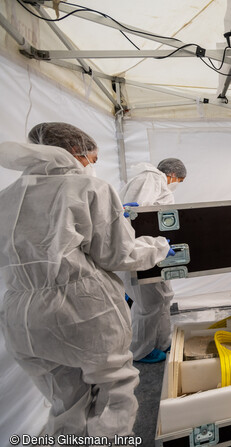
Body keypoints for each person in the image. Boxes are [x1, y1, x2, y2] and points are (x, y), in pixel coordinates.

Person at [0, 123, 173, 439]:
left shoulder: (6, 197)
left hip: (20, 318)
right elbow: (118, 255)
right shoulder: (87, 189)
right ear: (74, 154)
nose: (92, 167)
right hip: (81, 313)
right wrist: (158, 246)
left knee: (66, 403)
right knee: (112, 399)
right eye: (91, 160)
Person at [119, 159, 187, 363]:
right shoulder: (151, 178)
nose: (177, 184)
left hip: (155, 251)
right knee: (148, 303)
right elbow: (139, 215)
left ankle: (162, 343)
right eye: (180, 180)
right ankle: (141, 350)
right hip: (140, 252)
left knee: (164, 297)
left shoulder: (153, 181)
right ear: (173, 174)